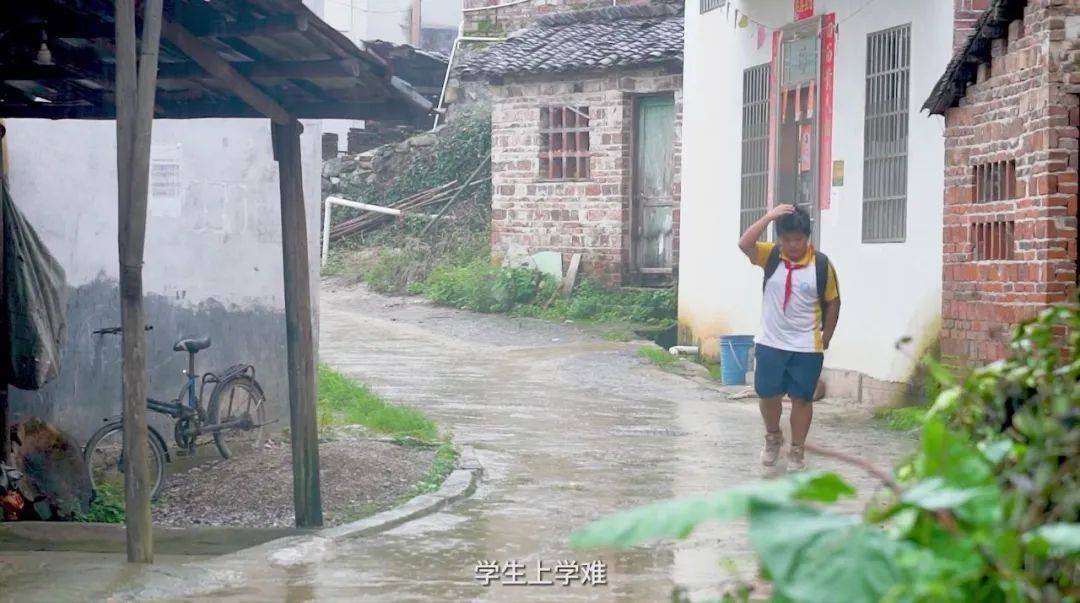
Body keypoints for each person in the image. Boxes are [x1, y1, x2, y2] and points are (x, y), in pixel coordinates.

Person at [737, 204, 840, 470]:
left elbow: (833, 300)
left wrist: (827, 334)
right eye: (788, 239)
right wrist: (770, 216)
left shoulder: (821, 264)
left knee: (802, 399)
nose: (793, 245)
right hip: (771, 341)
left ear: (807, 238)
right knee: (767, 393)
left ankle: (797, 449)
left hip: (807, 344)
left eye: (799, 239)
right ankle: (773, 437)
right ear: (780, 239)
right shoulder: (770, 255)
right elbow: (744, 243)